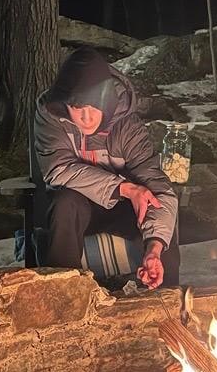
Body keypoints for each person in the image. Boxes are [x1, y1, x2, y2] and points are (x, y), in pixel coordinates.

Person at [34, 47, 179, 289]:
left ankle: (167, 301)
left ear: (107, 102)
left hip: (121, 211)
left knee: (157, 206)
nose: (87, 118)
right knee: (65, 203)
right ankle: (62, 296)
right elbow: (58, 169)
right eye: (78, 108)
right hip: (76, 210)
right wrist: (125, 188)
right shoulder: (51, 117)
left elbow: (159, 188)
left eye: (94, 107)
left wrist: (154, 247)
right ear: (66, 103)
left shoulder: (127, 127)